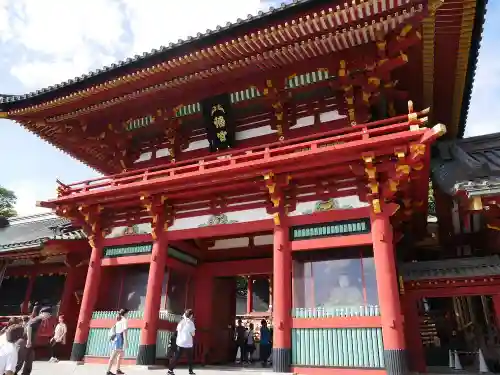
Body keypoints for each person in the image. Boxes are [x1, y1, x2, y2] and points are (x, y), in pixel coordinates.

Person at [17, 306, 51, 375]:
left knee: (29, 362)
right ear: (42, 313)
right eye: (47, 314)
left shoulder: (39, 319)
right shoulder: (37, 318)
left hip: (30, 344)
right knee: (19, 362)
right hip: (25, 342)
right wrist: (29, 340)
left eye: (49, 315)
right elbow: (29, 326)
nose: (48, 316)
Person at [168, 309, 195, 375]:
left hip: (180, 342)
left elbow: (177, 331)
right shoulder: (191, 323)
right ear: (191, 315)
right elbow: (193, 334)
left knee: (176, 357)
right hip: (188, 343)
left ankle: (170, 370)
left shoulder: (180, 322)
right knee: (190, 358)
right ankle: (190, 371)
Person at [106, 309, 128, 375]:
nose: (128, 315)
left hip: (117, 338)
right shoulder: (124, 320)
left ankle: (118, 370)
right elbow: (124, 331)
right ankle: (108, 371)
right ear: (125, 314)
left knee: (119, 355)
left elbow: (115, 329)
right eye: (127, 313)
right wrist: (126, 341)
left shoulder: (118, 320)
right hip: (119, 339)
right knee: (113, 356)